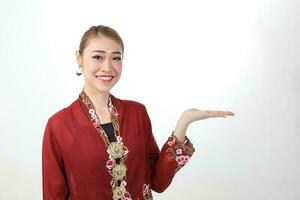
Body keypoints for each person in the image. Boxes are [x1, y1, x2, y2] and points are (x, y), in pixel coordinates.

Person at [42, 25, 235, 200]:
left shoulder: (137, 113)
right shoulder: (59, 125)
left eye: (116, 58)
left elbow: (157, 182)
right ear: (79, 58)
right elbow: (53, 195)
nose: (108, 67)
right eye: (97, 57)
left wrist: (183, 123)